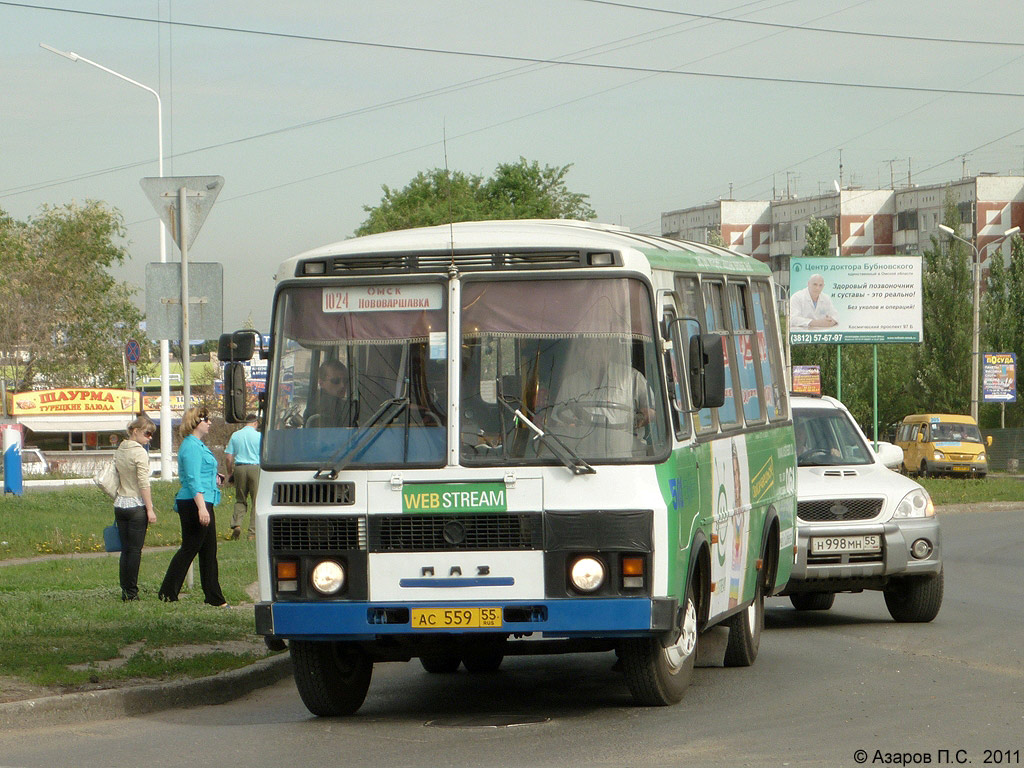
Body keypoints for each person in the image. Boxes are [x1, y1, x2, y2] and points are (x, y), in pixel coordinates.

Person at [158, 407, 228, 607]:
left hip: (204, 500)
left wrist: (215, 478)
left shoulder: (198, 446)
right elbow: (191, 479)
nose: (210, 422)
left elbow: (202, 473)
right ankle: (167, 593)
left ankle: (214, 597)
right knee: (190, 548)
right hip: (194, 502)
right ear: (196, 422)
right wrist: (201, 508)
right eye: (206, 419)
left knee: (208, 551)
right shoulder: (190, 446)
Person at [112, 415, 157, 601]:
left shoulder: (121, 449)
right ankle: (132, 593)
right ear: (136, 431)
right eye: (147, 434)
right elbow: (143, 483)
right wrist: (150, 509)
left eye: (152, 434)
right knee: (135, 551)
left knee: (125, 550)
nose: (150, 438)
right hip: (136, 504)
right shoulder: (139, 453)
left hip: (120, 504)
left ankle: (126, 590)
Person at [225, 413, 261, 541]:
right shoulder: (259, 436)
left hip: (239, 468)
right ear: (255, 423)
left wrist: (230, 472)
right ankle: (252, 533)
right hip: (255, 468)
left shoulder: (236, 435)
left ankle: (237, 524)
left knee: (240, 499)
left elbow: (228, 457)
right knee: (256, 501)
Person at [304, 359, 355, 427]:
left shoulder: (315, 400)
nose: (342, 385)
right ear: (321, 383)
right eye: (336, 381)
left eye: (345, 380)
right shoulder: (324, 406)